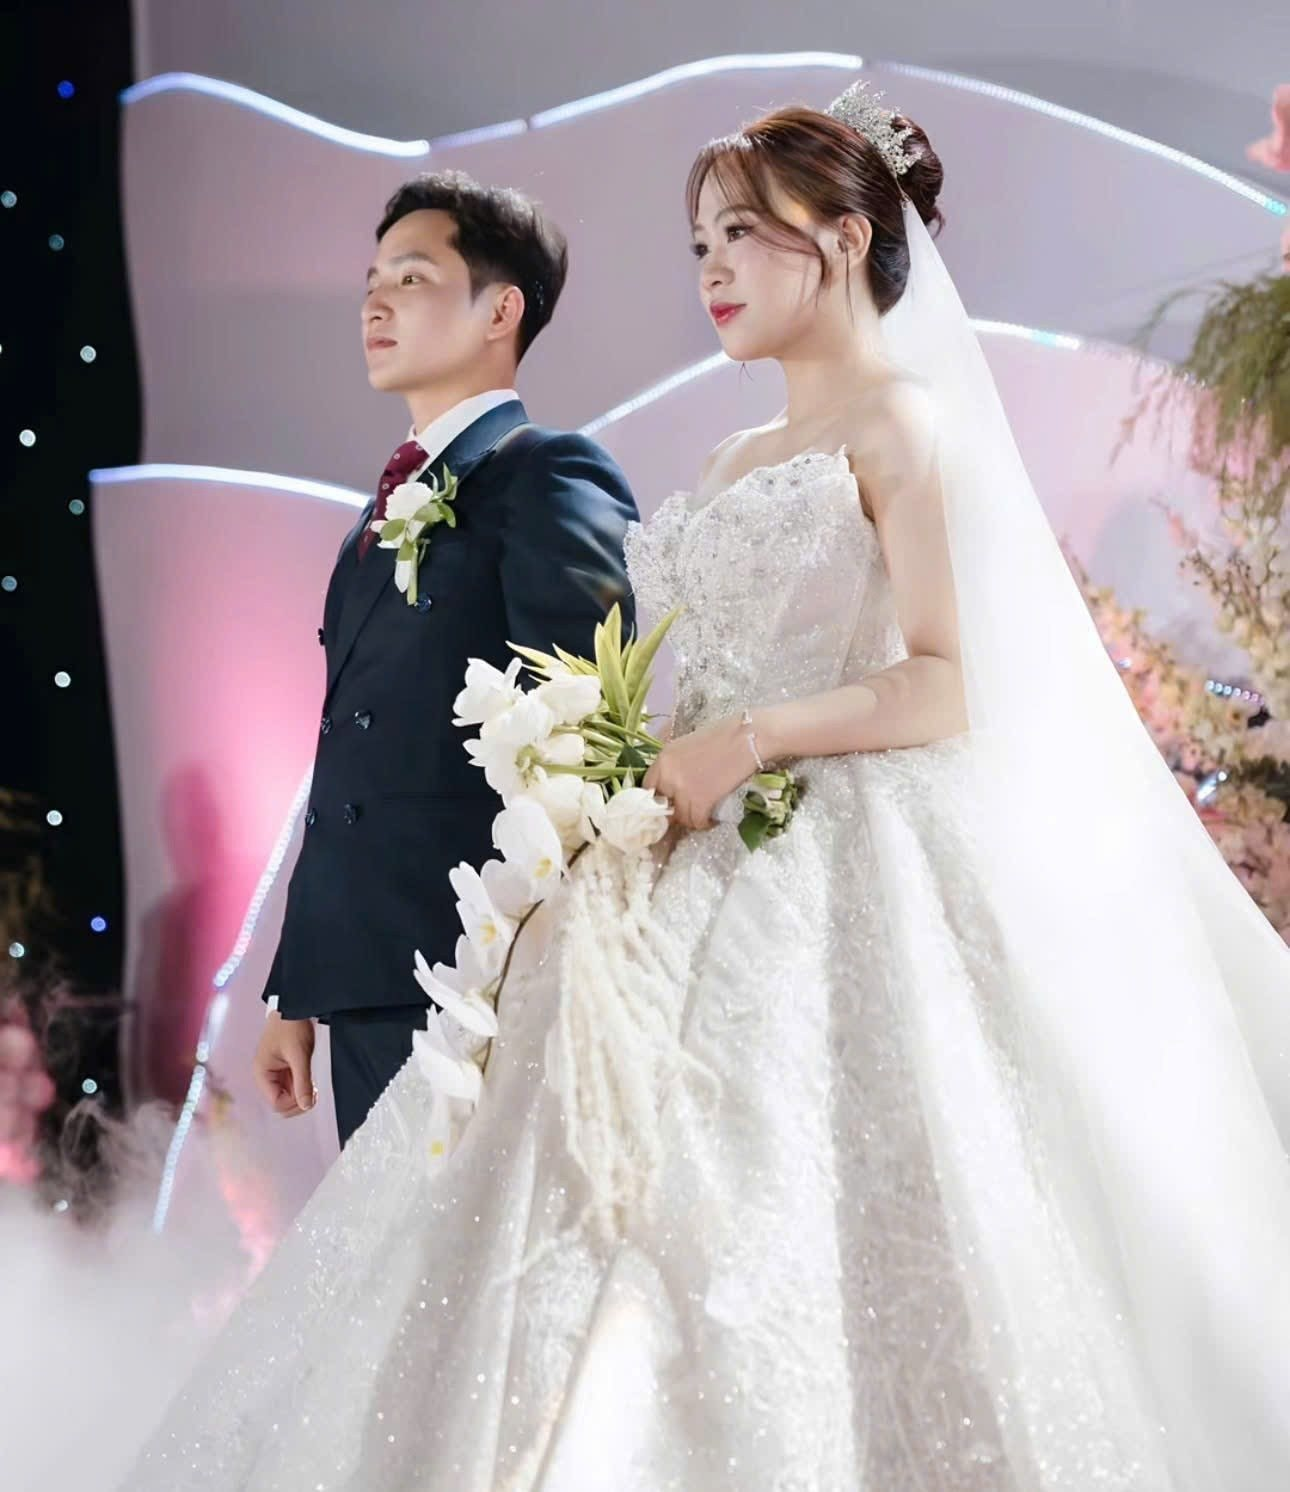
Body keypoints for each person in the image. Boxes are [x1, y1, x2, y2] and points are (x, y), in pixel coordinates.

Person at [128, 85, 1290, 1490]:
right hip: (678, 854)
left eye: (742, 234)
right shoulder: (734, 457)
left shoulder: (902, 425)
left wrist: (747, 741)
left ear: (844, 238)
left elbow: (944, 679)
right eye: (699, 246)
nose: (712, 271)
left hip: (841, 849)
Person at [252, 171, 637, 1148]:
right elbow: (346, 749)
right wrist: (298, 982)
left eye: (412, 278)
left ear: (500, 309)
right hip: (366, 968)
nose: (376, 304)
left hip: (481, 967)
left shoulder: (549, 473)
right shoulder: (374, 515)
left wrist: (537, 960)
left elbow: (586, 732)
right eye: (372, 282)